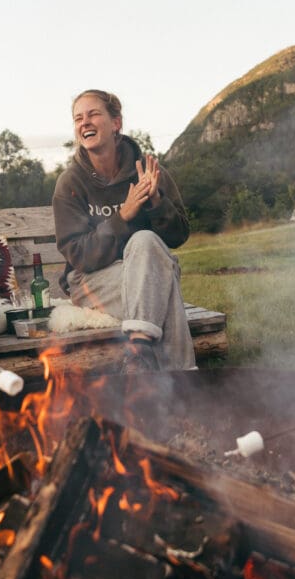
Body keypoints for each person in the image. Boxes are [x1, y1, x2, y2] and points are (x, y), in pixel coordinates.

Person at [52, 89, 196, 372]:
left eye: (93, 114)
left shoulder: (148, 171)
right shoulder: (71, 182)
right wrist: (123, 216)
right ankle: (185, 387)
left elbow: (178, 236)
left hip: (147, 274)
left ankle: (139, 352)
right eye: (78, 118)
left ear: (116, 123)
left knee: (145, 241)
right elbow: (80, 255)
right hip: (92, 282)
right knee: (163, 287)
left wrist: (155, 203)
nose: (85, 123)